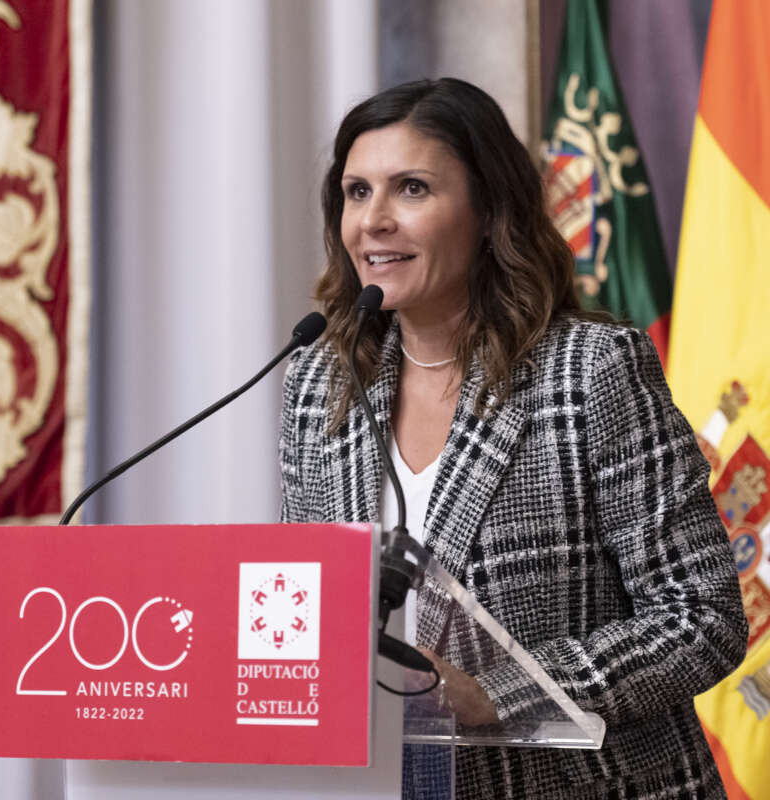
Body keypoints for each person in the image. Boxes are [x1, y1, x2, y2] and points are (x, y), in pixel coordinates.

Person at [278, 77, 748, 799]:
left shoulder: (590, 371)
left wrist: (498, 693)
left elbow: (701, 618)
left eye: (411, 189)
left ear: (489, 211)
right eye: (356, 192)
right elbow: (308, 611)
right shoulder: (320, 385)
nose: (373, 221)